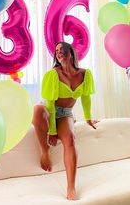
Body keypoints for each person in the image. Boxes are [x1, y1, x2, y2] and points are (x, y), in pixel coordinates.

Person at [33, 41, 98, 200]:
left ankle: (71, 188)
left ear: (71, 52)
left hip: (66, 113)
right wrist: (53, 131)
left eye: (62, 49)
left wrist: (88, 118)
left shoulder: (84, 74)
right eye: (56, 51)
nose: (58, 52)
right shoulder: (53, 74)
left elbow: (85, 98)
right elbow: (50, 104)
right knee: (37, 109)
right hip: (49, 110)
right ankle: (44, 152)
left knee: (70, 139)